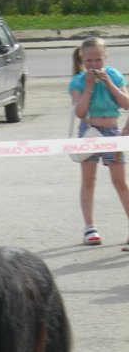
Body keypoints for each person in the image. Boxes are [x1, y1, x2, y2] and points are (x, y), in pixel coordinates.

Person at [68, 36, 129, 248]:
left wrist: (108, 82)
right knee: (88, 180)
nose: (93, 65)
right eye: (89, 61)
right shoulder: (78, 81)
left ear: (105, 58)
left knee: (120, 182)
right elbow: (80, 112)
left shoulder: (114, 75)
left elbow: (126, 104)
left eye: (98, 60)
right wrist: (89, 86)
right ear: (83, 61)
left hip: (112, 131)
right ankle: (89, 227)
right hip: (90, 132)